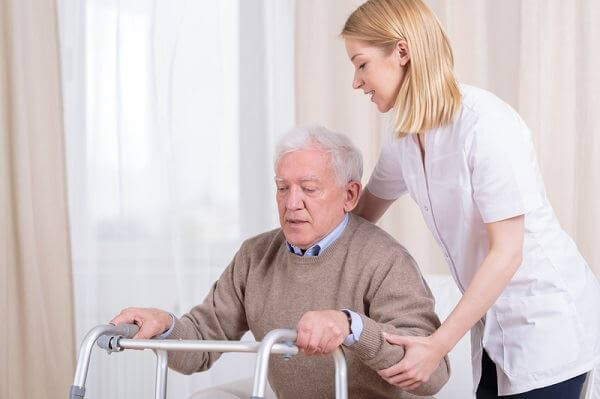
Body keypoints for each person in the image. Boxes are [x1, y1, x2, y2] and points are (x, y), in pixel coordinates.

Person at [340, 0, 600, 398]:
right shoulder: (402, 137)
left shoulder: (486, 125)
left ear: (402, 52)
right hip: (492, 327)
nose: (356, 82)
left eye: (361, 64)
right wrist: (302, 234)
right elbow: (361, 217)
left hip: (546, 326)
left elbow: (507, 253)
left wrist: (439, 345)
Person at [111, 125, 450, 398]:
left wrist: (352, 327)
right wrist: (165, 326)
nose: (292, 203)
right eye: (283, 188)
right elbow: (200, 343)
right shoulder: (255, 256)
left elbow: (432, 376)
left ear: (349, 196)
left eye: (309, 188)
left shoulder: (385, 259)